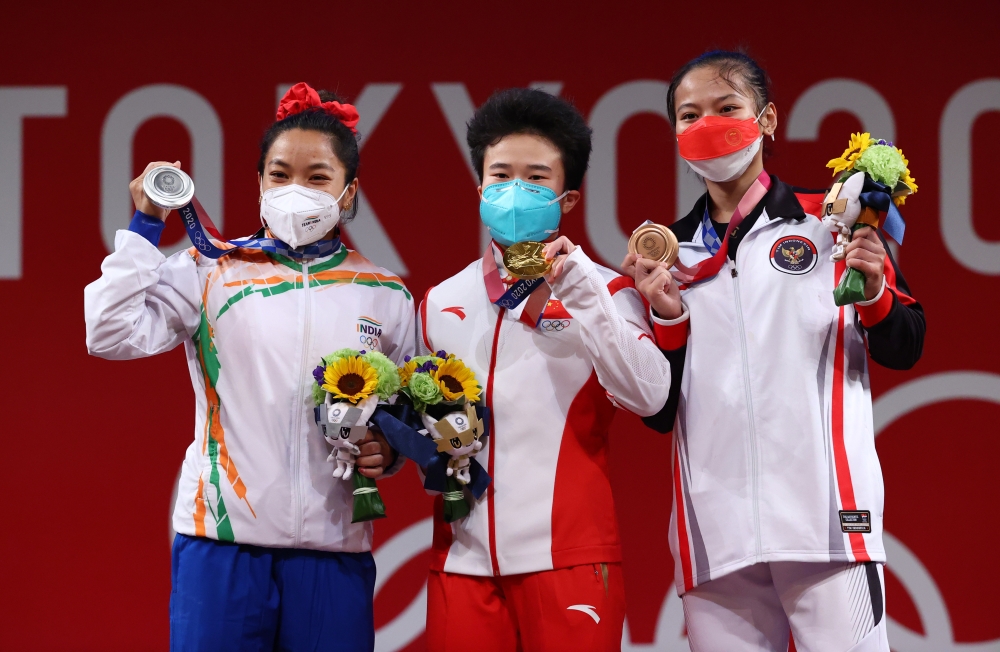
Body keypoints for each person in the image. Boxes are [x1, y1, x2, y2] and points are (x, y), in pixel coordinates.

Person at [84, 82, 414, 652]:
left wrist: (388, 453)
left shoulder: (384, 293)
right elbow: (108, 332)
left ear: (348, 191)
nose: (295, 190)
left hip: (334, 553)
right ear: (259, 182)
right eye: (280, 174)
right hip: (221, 544)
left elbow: (402, 415)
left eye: (317, 178)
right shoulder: (212, 271)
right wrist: (144, 224)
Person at [625, 51, 925, 652]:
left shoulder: (832, 222)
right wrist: (662, 315)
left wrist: (873, 296)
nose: (708, 123)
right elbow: (658, 410)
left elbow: (906, 345)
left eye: (727, 107)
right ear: (676, 134)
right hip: (717, 539)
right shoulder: (664, 257)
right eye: (690, 114)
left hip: (830, 526)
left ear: (767, 119)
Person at [417, 88, 672, 651]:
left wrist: (579, 289)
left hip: (570, 561)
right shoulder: (440, 301)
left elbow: (650, 396)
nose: (515, 191)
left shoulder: (608, 290)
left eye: (536, 179)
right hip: (461, 561)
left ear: (569, 198)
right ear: (479, 187)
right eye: (501, 175)